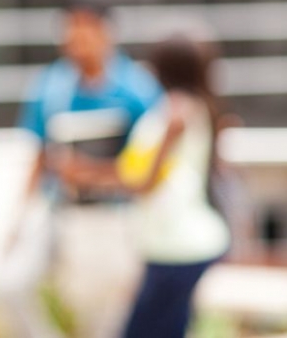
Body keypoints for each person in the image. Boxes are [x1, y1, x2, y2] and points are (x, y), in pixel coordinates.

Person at [0, 0, 162, 338]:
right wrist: (18, 218)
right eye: (70, 33)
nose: (77, 41)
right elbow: (39, 156)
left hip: (113, 218)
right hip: (58, 209)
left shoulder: (137, 89)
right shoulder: (50, 86)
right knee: (9, 285)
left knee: (102, 316)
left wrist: (92, 173)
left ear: (106, 33)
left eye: (85, 32)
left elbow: (151, 166)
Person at [59, 35, 231, 338]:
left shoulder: (176, 114)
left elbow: (142, 181)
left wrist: (84, 173)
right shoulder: (185, 107)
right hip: (177, 245)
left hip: (178, 247)